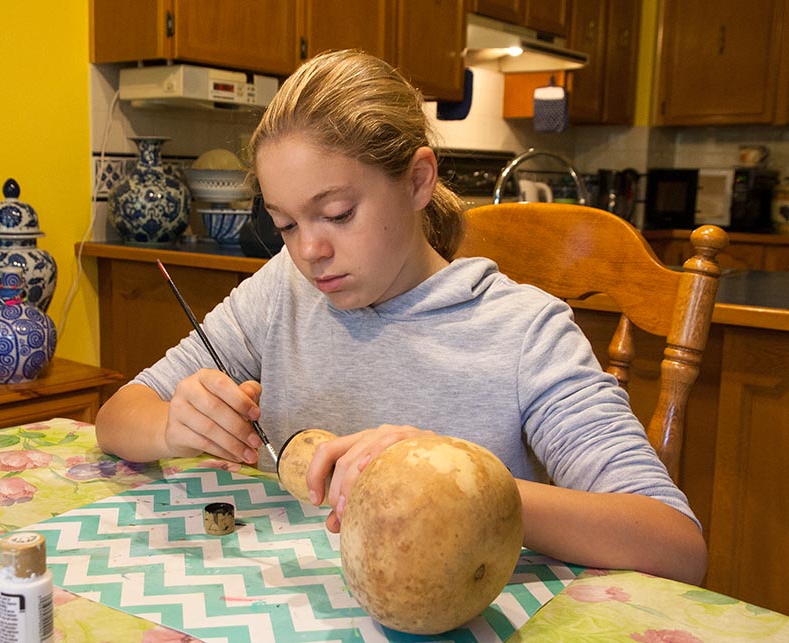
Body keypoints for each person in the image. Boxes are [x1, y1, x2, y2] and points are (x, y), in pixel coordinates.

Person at [96, 49, 707, 585]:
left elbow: (675, 544)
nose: (309, 252)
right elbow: (117, 418)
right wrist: (175, 426)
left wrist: (455, 483)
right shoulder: (281, 292)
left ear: (417, 181)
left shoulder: (523, 333)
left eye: (336, 213)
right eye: (285, 224)